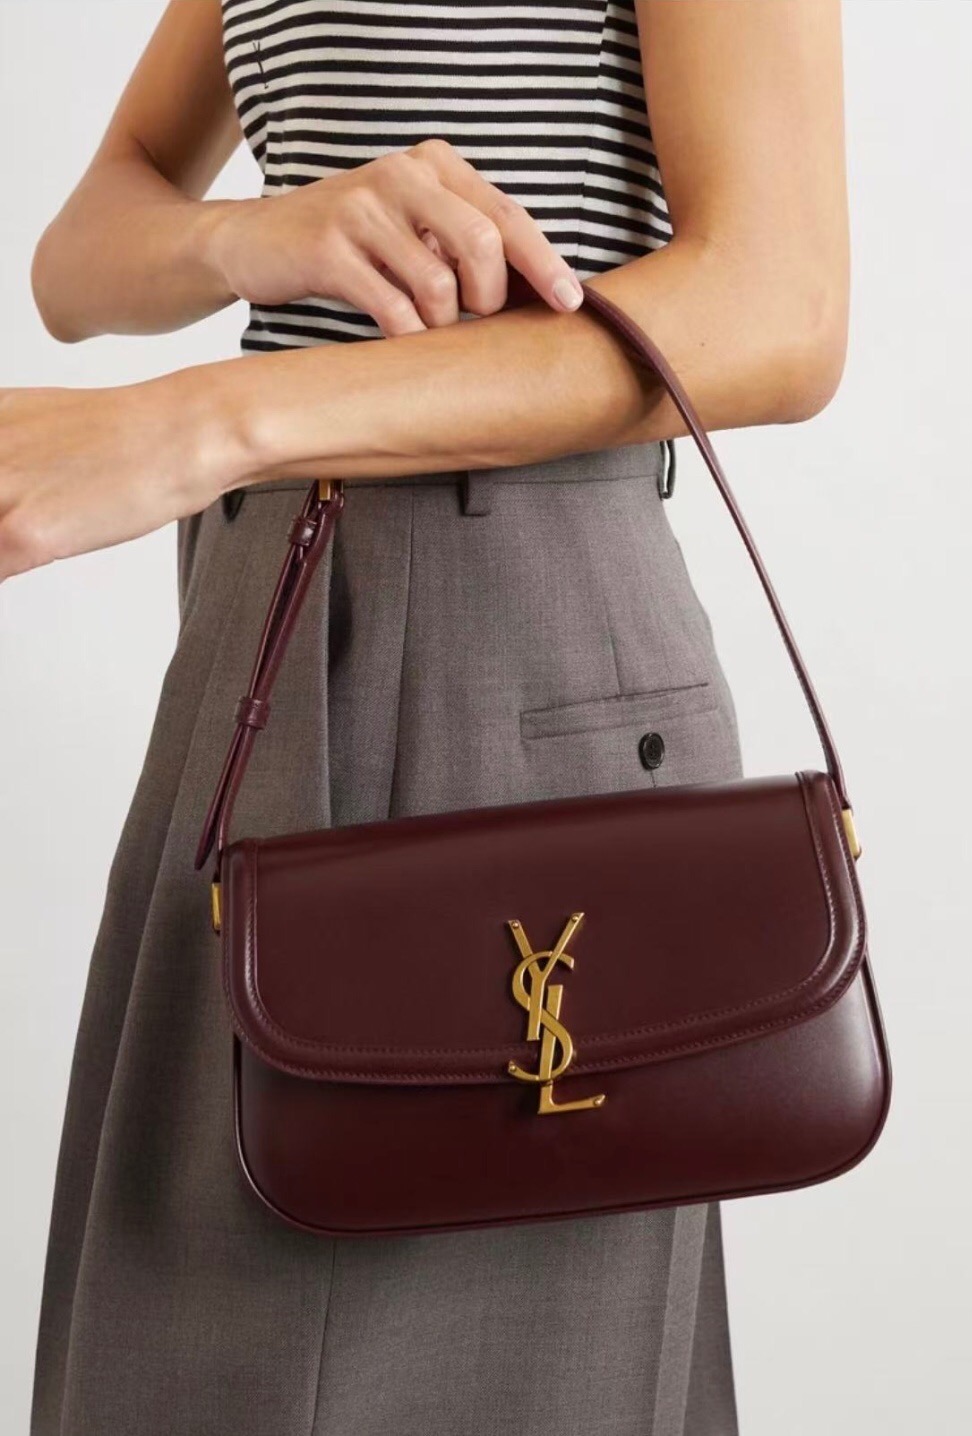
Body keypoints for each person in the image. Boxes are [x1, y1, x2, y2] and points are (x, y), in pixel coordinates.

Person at [4, 2, 850, 1432]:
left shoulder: (228, 429)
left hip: (511, 633)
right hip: (256, 628)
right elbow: (78, 256)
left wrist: (208, 419)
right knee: (185, 1325)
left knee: (477, 1368)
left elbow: (783, 311)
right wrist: (254, 239)